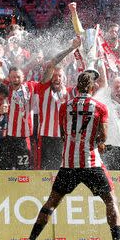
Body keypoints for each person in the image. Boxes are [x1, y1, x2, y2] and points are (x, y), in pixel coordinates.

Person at [19, 71, 120, 240]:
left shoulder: (65, 106)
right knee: (111, 201)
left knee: (51, 203)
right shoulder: (100, 107)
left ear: (77, 85)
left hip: (69, 163)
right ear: (91, 87)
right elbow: (103, 137)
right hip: (91, 163)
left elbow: (64, 133)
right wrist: (97, 141)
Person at [33, 37, 82, 169]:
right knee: (43, 171)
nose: (56, 78)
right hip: (46, 138)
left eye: (59, 76)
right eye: (54, 76)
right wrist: (71, 48)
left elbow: (86, 80)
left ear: (64, 77)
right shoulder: (43, 89)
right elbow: (52, 64)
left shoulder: (70, 92)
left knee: (62, 170)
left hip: (63, 139)